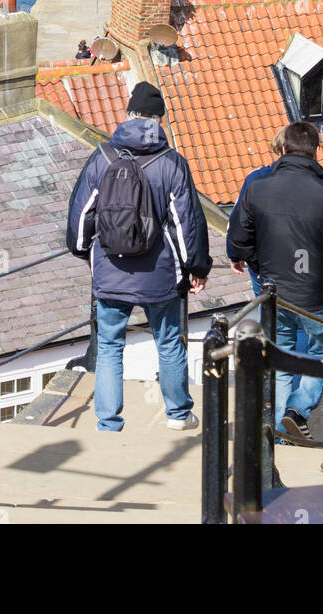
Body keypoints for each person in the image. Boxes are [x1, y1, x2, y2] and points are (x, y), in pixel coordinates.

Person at [66, 81, 211, 432]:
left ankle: (108, 421)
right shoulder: (172, 163)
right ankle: (178, 414)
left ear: (129, 114)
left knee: (110, 347)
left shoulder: (101, 158)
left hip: (111, 269)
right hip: (159, 274)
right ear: (159, 119)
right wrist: (197, 267)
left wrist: (87, 255)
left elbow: (80, 218)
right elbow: (185, 223)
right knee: (168, 342)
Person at [227, 121, 323, 445]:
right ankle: (297, 411)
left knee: (280, 360)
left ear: (283, 149)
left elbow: (238, 240)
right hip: (316, 295)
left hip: (274, 293)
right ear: (315, 151)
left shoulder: (258, 188)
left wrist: (261, 269)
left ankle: (280, 432)